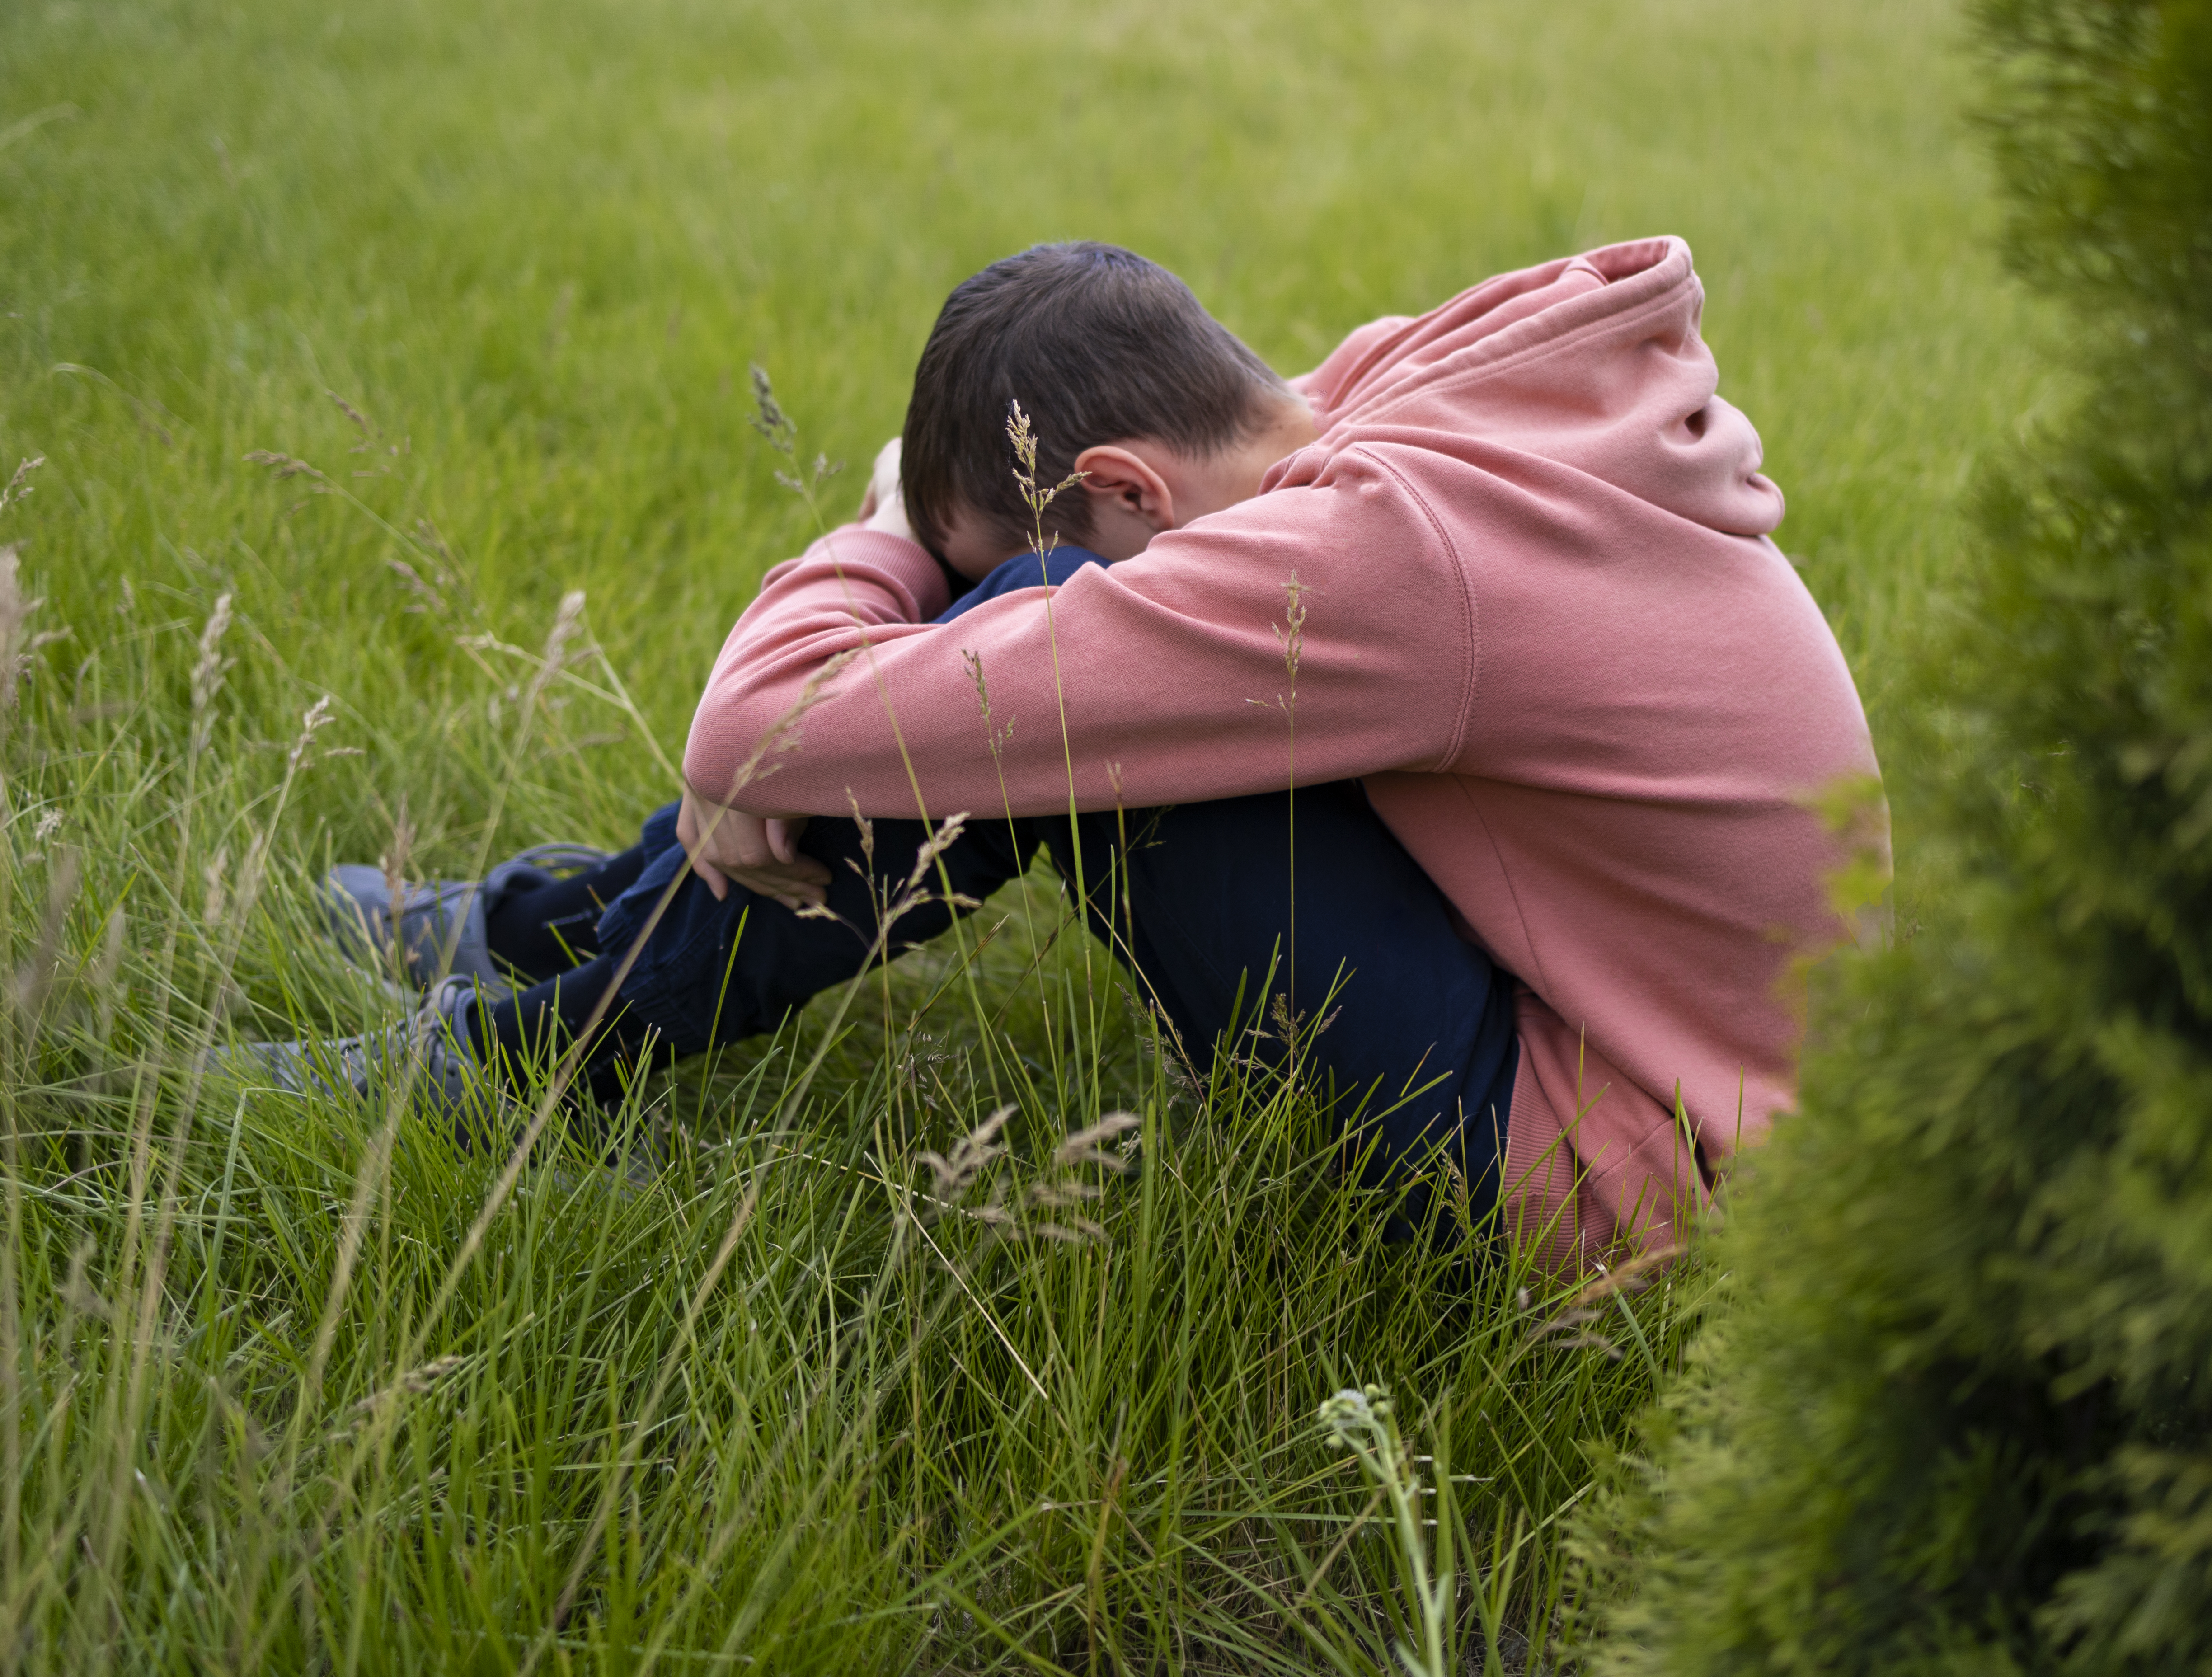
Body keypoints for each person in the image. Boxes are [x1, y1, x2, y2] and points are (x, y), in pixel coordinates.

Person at [236, 238, 1880, 1265]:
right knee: (1028, 647)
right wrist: (894, 642)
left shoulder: (1378, 564)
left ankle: (526, 1054)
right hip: (1690, 1071)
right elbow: (809, 721)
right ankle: (542, 937)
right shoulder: (1401, 403)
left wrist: (892, 549)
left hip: (1619, 1180)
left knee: (1040, 627)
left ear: (1130, 483)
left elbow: (762, 721)